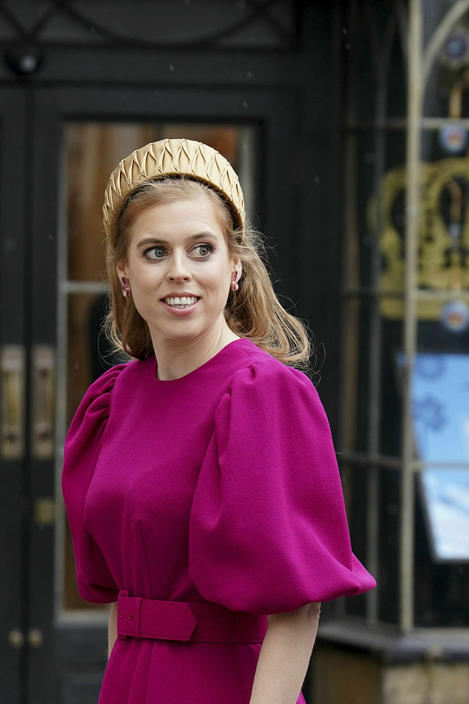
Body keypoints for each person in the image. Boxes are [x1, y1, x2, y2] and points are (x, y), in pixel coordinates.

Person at [62, 138, 375, 704]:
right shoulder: (112, 399)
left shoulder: (265, 394)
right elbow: (122, 599)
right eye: (155, 252)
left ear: (234, 266)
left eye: (200, 249)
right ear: (124, 273)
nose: (179, 272)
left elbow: (298, 606)